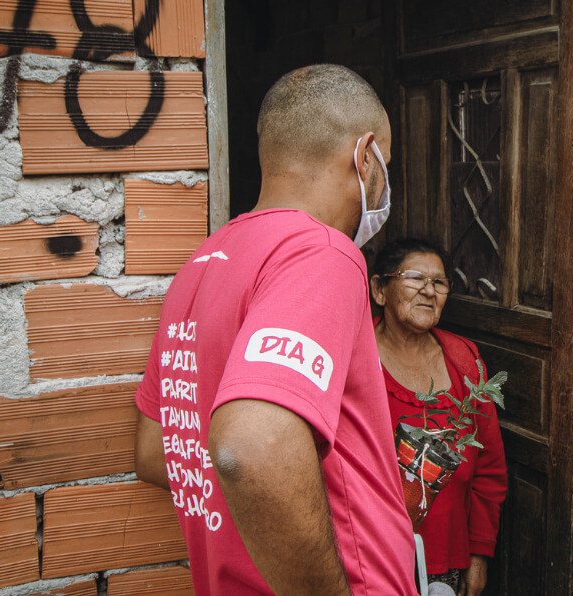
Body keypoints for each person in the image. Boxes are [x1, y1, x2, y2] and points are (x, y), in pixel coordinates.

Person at [133, 64, 417, 595]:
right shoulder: (323, 253)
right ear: (364, 155)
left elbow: (157, 451)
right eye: (387, 164)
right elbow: (250, 445)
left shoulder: (204, 263)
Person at [370, 238, 507, 596]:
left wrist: (479, 557)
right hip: (371, 557)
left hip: (446, 560)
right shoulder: (356, 358)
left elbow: (489, 469)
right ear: (379, 289)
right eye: (415, 278)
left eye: (440, 282)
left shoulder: (464, 359)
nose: (429, 291)